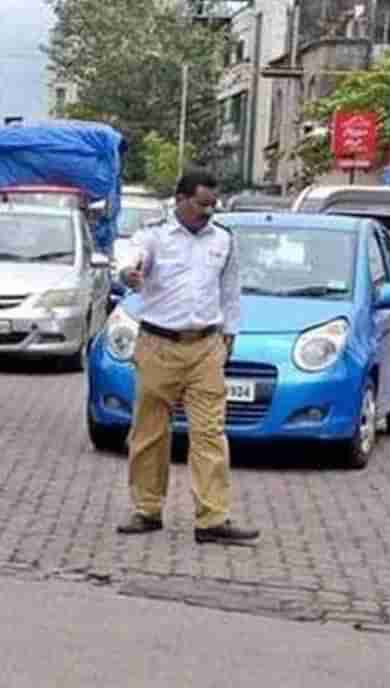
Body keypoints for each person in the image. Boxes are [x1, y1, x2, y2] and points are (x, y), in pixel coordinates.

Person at [115, 169, 259, 545]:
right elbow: (134, 258)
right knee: (149, 432)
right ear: (180, 199)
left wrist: (230, 334)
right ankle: (147, 510)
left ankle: (212, 518)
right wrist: (130, 273)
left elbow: (230, 291)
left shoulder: (224, 240)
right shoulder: (154, 235)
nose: (208, 212)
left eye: (213, 205)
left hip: (205, 347)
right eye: (201, 204)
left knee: (210, 432)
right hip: (158, 344)